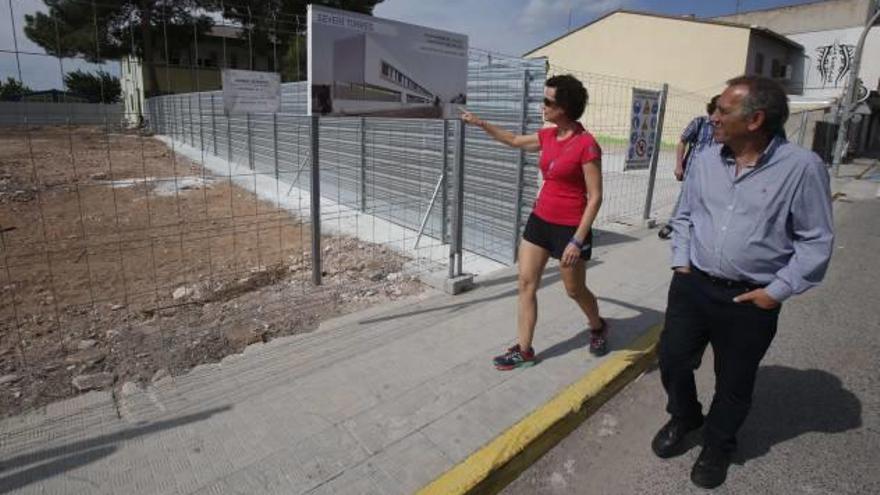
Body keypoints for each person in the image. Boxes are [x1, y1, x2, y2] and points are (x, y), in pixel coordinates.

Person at [653, 75, 834, 489]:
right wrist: (681, 261)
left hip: (750, 299)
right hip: (693, 285)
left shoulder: (802, 169)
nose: (713, 116)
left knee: (734, 381)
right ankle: (685, 416)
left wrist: (777, 291)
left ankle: (718, 444)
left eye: (722, 110)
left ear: (754, 120)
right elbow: (685, 216)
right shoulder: (703, 160)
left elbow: (816, 241)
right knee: (673, 359)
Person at [460, 74, 607, 370]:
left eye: (547, 101)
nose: (542, 105)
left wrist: (578, 239)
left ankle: (598, 325)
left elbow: (595, 197)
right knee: (526, 283)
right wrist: (480, 123)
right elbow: (513, 140)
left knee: (574, 290)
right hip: (540, 220)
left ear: (563, 108)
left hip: (570, 229)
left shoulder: (587, 145)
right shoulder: (548, 136)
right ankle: (524, 350)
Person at [657, 94, 720, 240]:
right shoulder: (699, 123)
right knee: (685, 199)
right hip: (693, 171)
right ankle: (673, 225)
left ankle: (694, 228)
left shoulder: (725, 128)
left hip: (714, 174)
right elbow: (682, 143)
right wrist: (679, 166)